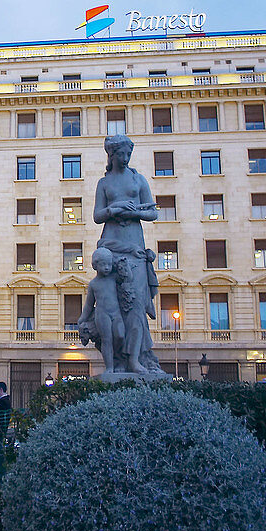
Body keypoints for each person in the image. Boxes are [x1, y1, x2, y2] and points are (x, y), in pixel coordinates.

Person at [93, 134, 160, 374]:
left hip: (135, 245)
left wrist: (133, 214)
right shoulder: (104, 183)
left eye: (128, 154)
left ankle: (135, 359)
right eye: (121, 154)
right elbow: (97, 215)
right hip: (111, 246)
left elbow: (152, 213)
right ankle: (116, 362)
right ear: (111, 155)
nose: (125, 158)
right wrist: (114, 209)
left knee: (136, 305)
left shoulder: (138, 179)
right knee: (114, 304)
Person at [78, 248, 126, 373]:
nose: (107, 268)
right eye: (103, 264)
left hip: (116, 313)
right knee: (107, 340)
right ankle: (110, 367)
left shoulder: (114, 278)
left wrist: (123, 264)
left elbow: (128, 278)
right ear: (95, 265)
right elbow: (89, 304)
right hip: (102, 314)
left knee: (120, 335)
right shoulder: (93, 284)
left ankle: (119, 359)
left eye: (109, 264)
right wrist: (82, 318)